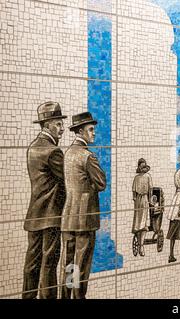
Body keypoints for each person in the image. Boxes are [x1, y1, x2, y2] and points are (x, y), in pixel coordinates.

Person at [23, 101, 67, 299]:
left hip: (34, 216)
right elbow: (66, 182)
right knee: (49, 263)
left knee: (32, 264)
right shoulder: (53, 151)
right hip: (51, 216)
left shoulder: (33, 147)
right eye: (58, 124)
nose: (62, 129)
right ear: (48, 125)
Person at [60, 112, 106, 299]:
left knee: (69, 262)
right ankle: (78, 297)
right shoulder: (88, 156)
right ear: (81, 131)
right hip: (85, 218)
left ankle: (65, 295)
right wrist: (91, 186)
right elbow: (102, 183)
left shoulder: (68, 153)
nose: (94, 133)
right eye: (91, 130)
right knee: (81, 263)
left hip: (68, 217)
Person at [132, 158, 153, 256]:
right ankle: (139, 241)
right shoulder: (136, 178)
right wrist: (135, 199)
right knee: (137, 222)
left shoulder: (148, 176)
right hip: (138, 202)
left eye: (144, 166)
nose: (143, 168)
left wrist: (150, 201)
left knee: (144, 223)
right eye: (141, 166)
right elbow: (134, 191)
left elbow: (150, 190)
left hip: (145, 200)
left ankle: (141, 246)